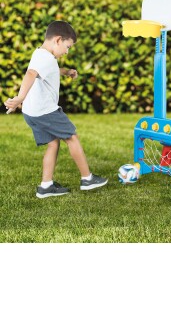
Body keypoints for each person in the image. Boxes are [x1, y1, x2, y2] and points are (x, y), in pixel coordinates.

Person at [4, 20, 108, 198]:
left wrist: (67, 71)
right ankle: (87, 179)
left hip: (33, 112)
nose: (67, 52)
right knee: (72, 137)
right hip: (45, 111)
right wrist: (20, 97)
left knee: (53, 143)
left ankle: (46, 186)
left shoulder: (42, 54)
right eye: (67, 47)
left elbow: (50, 69)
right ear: (58, 40)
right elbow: (31, 74)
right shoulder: (44, 57)